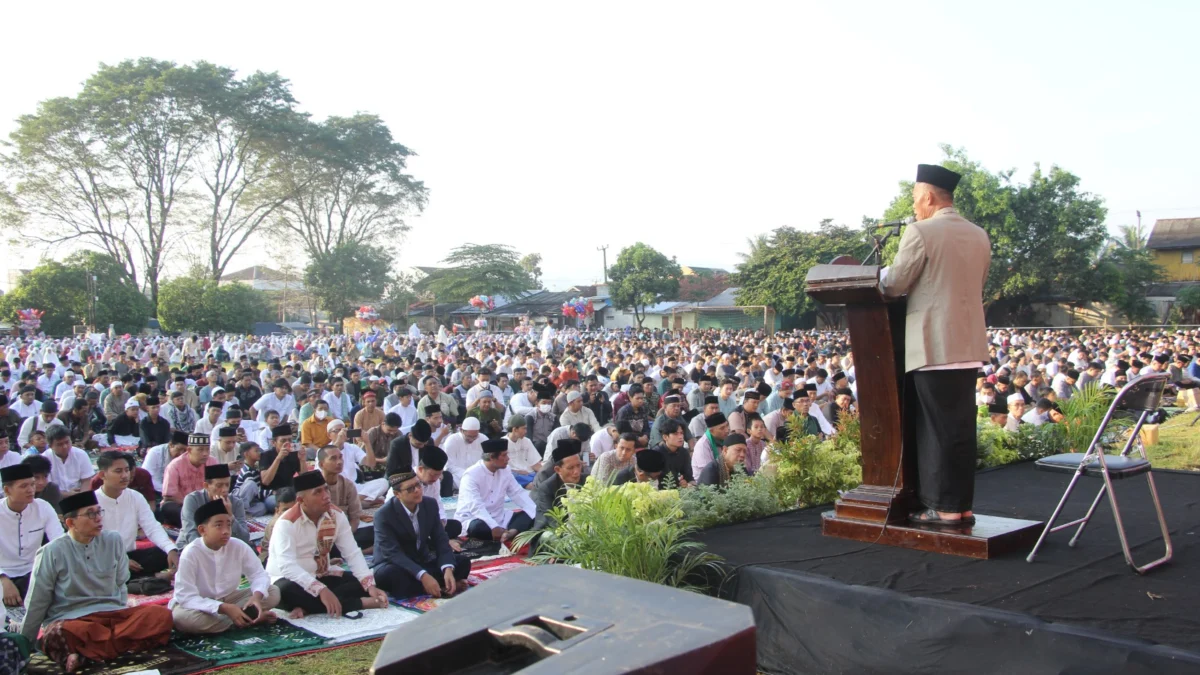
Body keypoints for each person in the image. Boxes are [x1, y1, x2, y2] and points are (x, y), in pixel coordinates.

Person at [880, 163, 991, 528]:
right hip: (968, 343)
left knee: (936, 431)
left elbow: (895, 284)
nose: (913, 207)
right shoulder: (979, 234)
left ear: (927, 196)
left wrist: (877, 277)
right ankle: (962, 506)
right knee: (959, 429)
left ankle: (943, 508)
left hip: (933, 345)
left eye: (915, 199)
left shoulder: (921, 232)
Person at [21, 491, 173, 672]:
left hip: (113, 615)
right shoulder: (51, 552)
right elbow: (37, 600)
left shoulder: (113, 540)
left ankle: (87, 654)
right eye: (90, 514)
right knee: (56, 633)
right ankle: (114, 647)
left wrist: (121, 612)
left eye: (99, 512)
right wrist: (24, 644)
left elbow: (121, 582)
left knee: (160, 615)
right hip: (73, 619)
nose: (98, 518)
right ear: (70, 523)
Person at [267, 470, 389, 617]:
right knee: (284, 592)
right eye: (317, 492)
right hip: (288, 579)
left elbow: (352, 553)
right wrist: (321, 590)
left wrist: (370, 586)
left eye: (326, 489)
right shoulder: (287, 523)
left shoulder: (336, 516)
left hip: (321, 574)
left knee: (361, 582)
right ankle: (360, 603)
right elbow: (287, 566)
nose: (326, 496)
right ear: (301, 500)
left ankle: (308, 607)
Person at [170, 499, 281, 634]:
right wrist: (223, 608)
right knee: (181, 619)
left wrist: (256, 598)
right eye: (219, 525)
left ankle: (240, 618)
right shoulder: (191, 553)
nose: (226, 531)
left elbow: (259, 575)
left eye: (228, 525)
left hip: (230, 598)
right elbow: (185, 596)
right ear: (202, 530)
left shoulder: (238, 546)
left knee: (273, 591)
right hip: (199, 605)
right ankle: (250, 619)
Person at [372, 467, 471, 599]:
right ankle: (435, 587)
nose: (417, 490)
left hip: (420, 561)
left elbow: (440, 539)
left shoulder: (429, 504)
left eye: (418, 485)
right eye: (410, 488)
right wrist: (423, 575)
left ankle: (430, 585)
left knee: (462, 562)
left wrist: (447, 568)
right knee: (392, 577)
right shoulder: (383, 514)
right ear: (397, 494)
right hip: (395, 564)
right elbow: (392, 553)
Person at [93, 451, 178, 578]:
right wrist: (119, 560)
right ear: (102, 475)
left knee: (163, 553)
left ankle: (141, 579)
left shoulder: (135, 497)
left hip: (130, 554)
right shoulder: (92, 502)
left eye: (127, 470)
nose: (125, 475)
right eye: (118, 471)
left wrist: (170, 549)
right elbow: (88, 542)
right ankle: (151, 578)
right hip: (103, 557)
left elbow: (152, 527)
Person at [1, 464, 63, 606]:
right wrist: (2, 579)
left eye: (32, 485)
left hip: (33, 571)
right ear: (7, 490)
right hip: (3, 571)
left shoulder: (43, 507)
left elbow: (59, 542)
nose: (31, 490)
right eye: (24, 486)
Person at [455, 438, 537, 543]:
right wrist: (493, 527)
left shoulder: (505, 470)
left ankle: (510, 532)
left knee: (530, 515)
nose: (508, 459)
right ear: (491, 457)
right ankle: (510, 532)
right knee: (479, 528)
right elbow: (476, 507)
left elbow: (517, 493)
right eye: (504, 455)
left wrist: (536, 511)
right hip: (475, 518)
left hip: (500, 516)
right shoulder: (471, 475)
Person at [177, 463, 251, 551]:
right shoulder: (193, 500)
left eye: (227, 485)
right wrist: (210, 552)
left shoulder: (236, 502)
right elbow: (190, 533)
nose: (225, 490)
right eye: (219, 486)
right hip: (194, 548)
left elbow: (244, 538)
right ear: (206, 486)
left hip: (225, 548)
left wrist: (230, 515)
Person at [317, 445, 372, 550]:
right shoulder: (314, 487)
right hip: (320, 537)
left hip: (344, 534)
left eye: (340, 457)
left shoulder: (348, 485)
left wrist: (344, 538)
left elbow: (355, 518)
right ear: (321, 464)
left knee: (374, 532)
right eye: (333, 458)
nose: (339, 462)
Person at [160, 433, 219, 528]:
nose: (205, 454)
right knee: (169, 508)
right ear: (189, 450)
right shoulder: (175, 466)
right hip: (182, 505)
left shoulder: (212, 462)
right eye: (200, 450)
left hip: (205, 504)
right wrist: (191, 505)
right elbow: (168, 497)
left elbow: (218, 487)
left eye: (207, 449)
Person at [532, 440, 583, 531]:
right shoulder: (546, 488)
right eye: (570, 468)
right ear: (558, 470)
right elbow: (553, 522)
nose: (576, 472)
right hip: (551, 531)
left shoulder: (587, 480)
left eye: (578, 466)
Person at [41, 428, 91, 496]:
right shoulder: (44, 459)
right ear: (50, 446)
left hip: (78, 494)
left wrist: (82, 496)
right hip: (55, 497)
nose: (65, 446)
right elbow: (46, 487)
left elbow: (86, 480)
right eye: (59, 444)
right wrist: (67, 494)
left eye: (67, 442)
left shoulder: (81, 454)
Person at [442, 417, 486, 489]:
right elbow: (449, 466)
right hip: (458, 477)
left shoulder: (483, 439)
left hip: (478, 476)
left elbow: (487, 461)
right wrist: (468, 474)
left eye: (475, 436)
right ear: (461, 430)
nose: (472, 439)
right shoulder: (452, 440)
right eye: (469, 436)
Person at [259, 424, 304, 492]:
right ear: (273, 443)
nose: (287, 443)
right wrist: (278, 458)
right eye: (283, 441)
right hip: (271, 492)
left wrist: (302, 460)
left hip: (289, 490)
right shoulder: (266, 455)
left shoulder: (294, 454)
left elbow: (304, 477)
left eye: (290, 440)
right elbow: (266, 481)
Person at [503, 415, 542, 487]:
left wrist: (546, 473)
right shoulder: (502, 443)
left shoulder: (527, 441)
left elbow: (534, 463)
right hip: (514, 475)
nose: (526, 431)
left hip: (530, 474)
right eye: (524, 429)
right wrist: (517, 471)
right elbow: (501, 468)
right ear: (515, 429)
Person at [653, 419, 693, 487]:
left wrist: (686, 483)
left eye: (681, 433)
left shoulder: (684, 453)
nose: (680, 437)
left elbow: (689, 476)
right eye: (675, 434)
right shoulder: (656, 454)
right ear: (665, 437)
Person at [691, 412, 730, 481]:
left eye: (727, 425)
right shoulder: (702, 445)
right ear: (711, 431)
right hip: (706, 484)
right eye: (722, 428)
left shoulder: (725, 439)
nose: (727, 430)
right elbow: (708, 472)